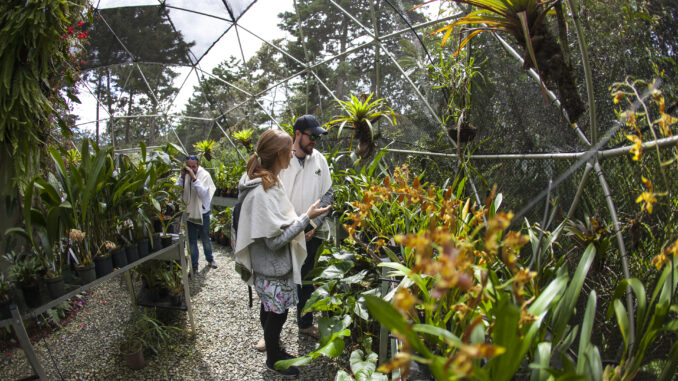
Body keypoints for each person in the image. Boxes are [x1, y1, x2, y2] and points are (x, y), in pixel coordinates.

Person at [234, 130, 330, 378]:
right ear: (278, 154)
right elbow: (275, 241)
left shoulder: (269, 182)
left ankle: (275, 349)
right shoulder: (262, 191)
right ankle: (273, 359)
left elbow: (276, 226)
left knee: (270, 309)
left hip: (269, 267)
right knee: (277, 313)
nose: (292, 154)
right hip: (271, 267)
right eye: (288, 150)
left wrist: (301, 220)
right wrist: (305, 219)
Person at [278, 115, 333, 340]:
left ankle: (304, 323)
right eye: (312, 136)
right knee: (279, 281)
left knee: (307, 280)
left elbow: (328, 194)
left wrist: (311, 225)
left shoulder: (318, 159)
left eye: (317, 138)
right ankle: (272, 332)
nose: (315, 142)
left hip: (311, 233)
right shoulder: (281, 159)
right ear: (297, 134)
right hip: (284, 233)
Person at [176, 155, 217, 272]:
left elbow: (203, 193)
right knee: (192, 241)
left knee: (205, 238)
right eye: (189, 166)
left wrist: (194, 178)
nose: (191, 168)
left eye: (193, 166)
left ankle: (210, 259)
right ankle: (194, 265)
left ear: (198, 165)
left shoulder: (204, 175)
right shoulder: (184, 175)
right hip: (189, 212)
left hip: (202, 212)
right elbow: (177, 189)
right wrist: (182, 178)